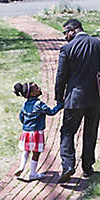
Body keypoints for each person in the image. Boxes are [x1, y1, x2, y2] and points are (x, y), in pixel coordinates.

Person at [55, 19, 100, 183]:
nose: (65, 37)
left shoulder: (67, 49)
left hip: (74, 99)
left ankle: (68, 165)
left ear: (73, 30)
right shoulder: (97, 43)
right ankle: (87, 168)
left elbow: (61, 77)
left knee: (67, 132)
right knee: (91, 132)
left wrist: (59, 98)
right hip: (96, 97)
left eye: (65, 33)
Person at [13, 82, 63, 181]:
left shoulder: (25, 105)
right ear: (32, 93)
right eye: (36, 88)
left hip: (26, 132)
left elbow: (21, 117)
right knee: (36, 153)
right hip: (37, 133)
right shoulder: (39, 104)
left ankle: (21, 167)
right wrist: (61, 105)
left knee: (26, 150)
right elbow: (51, 112)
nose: (39, 88)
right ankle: (33, 174)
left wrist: (27, 125)